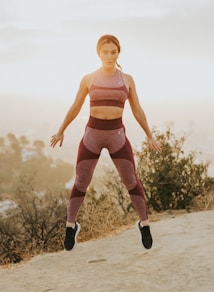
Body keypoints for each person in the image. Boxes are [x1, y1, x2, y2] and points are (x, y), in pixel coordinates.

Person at [50, 34, 161, 251]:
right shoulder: (88, 79)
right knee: (81, 181)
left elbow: (137, 109)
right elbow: (75, 106)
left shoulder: (127, 79)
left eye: (113, 52)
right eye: (105, 52)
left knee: (130, 180)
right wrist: (61, 130)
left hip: (117, 136)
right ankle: (71, 226)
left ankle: (144, 223)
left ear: (118, 53)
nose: (109, 56)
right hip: (92, 135)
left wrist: (149, 134)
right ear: (98, 53)